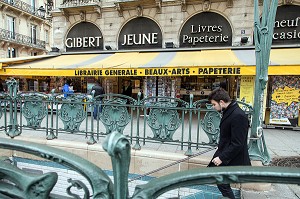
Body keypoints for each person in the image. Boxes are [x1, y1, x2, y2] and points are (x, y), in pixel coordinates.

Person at [207, 88, 251, 199]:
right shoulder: (229, 111)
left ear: (221, 102)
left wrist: (221, 157)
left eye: (214, 104)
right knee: (219, 180)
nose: (213, 107)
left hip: (234, 157)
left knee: (221, 181)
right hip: (228, 152)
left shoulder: (238, 115)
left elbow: (238, 143)